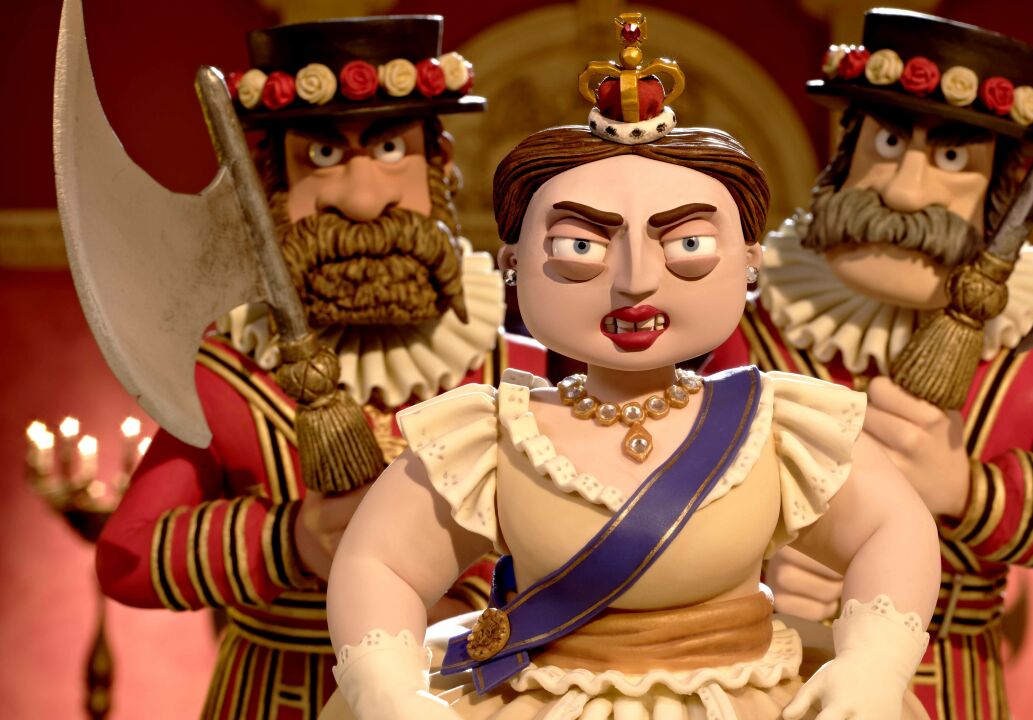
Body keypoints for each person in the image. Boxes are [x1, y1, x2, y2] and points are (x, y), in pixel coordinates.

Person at [321, 15, 940, 720]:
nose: (636, 280)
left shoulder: (777, 424)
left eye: (688, 245)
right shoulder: (490, 435)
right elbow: (382, 562)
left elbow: (892, 529)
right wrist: (384, 682)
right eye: (582, 247)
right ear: (514, 263)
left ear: (748, 261)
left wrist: (874, 661)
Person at [702, 9, 1033, 718]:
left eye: (950, 159)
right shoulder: (751, 344)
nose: (903, 191)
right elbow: (662, 489)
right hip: (775, 681)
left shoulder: (1020, 378)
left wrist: (972, 491)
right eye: (887, 143)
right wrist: (756, 563)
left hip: (954, 690)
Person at [94, 16, 544, 719]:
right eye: (325, 155)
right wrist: (288, 540)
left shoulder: (514, 360)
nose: (362, 199)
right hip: (279, 696)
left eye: (390, 149)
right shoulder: (232, 369)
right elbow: (126, 555)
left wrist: (468, 586)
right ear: (275, 182)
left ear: (437, 164)